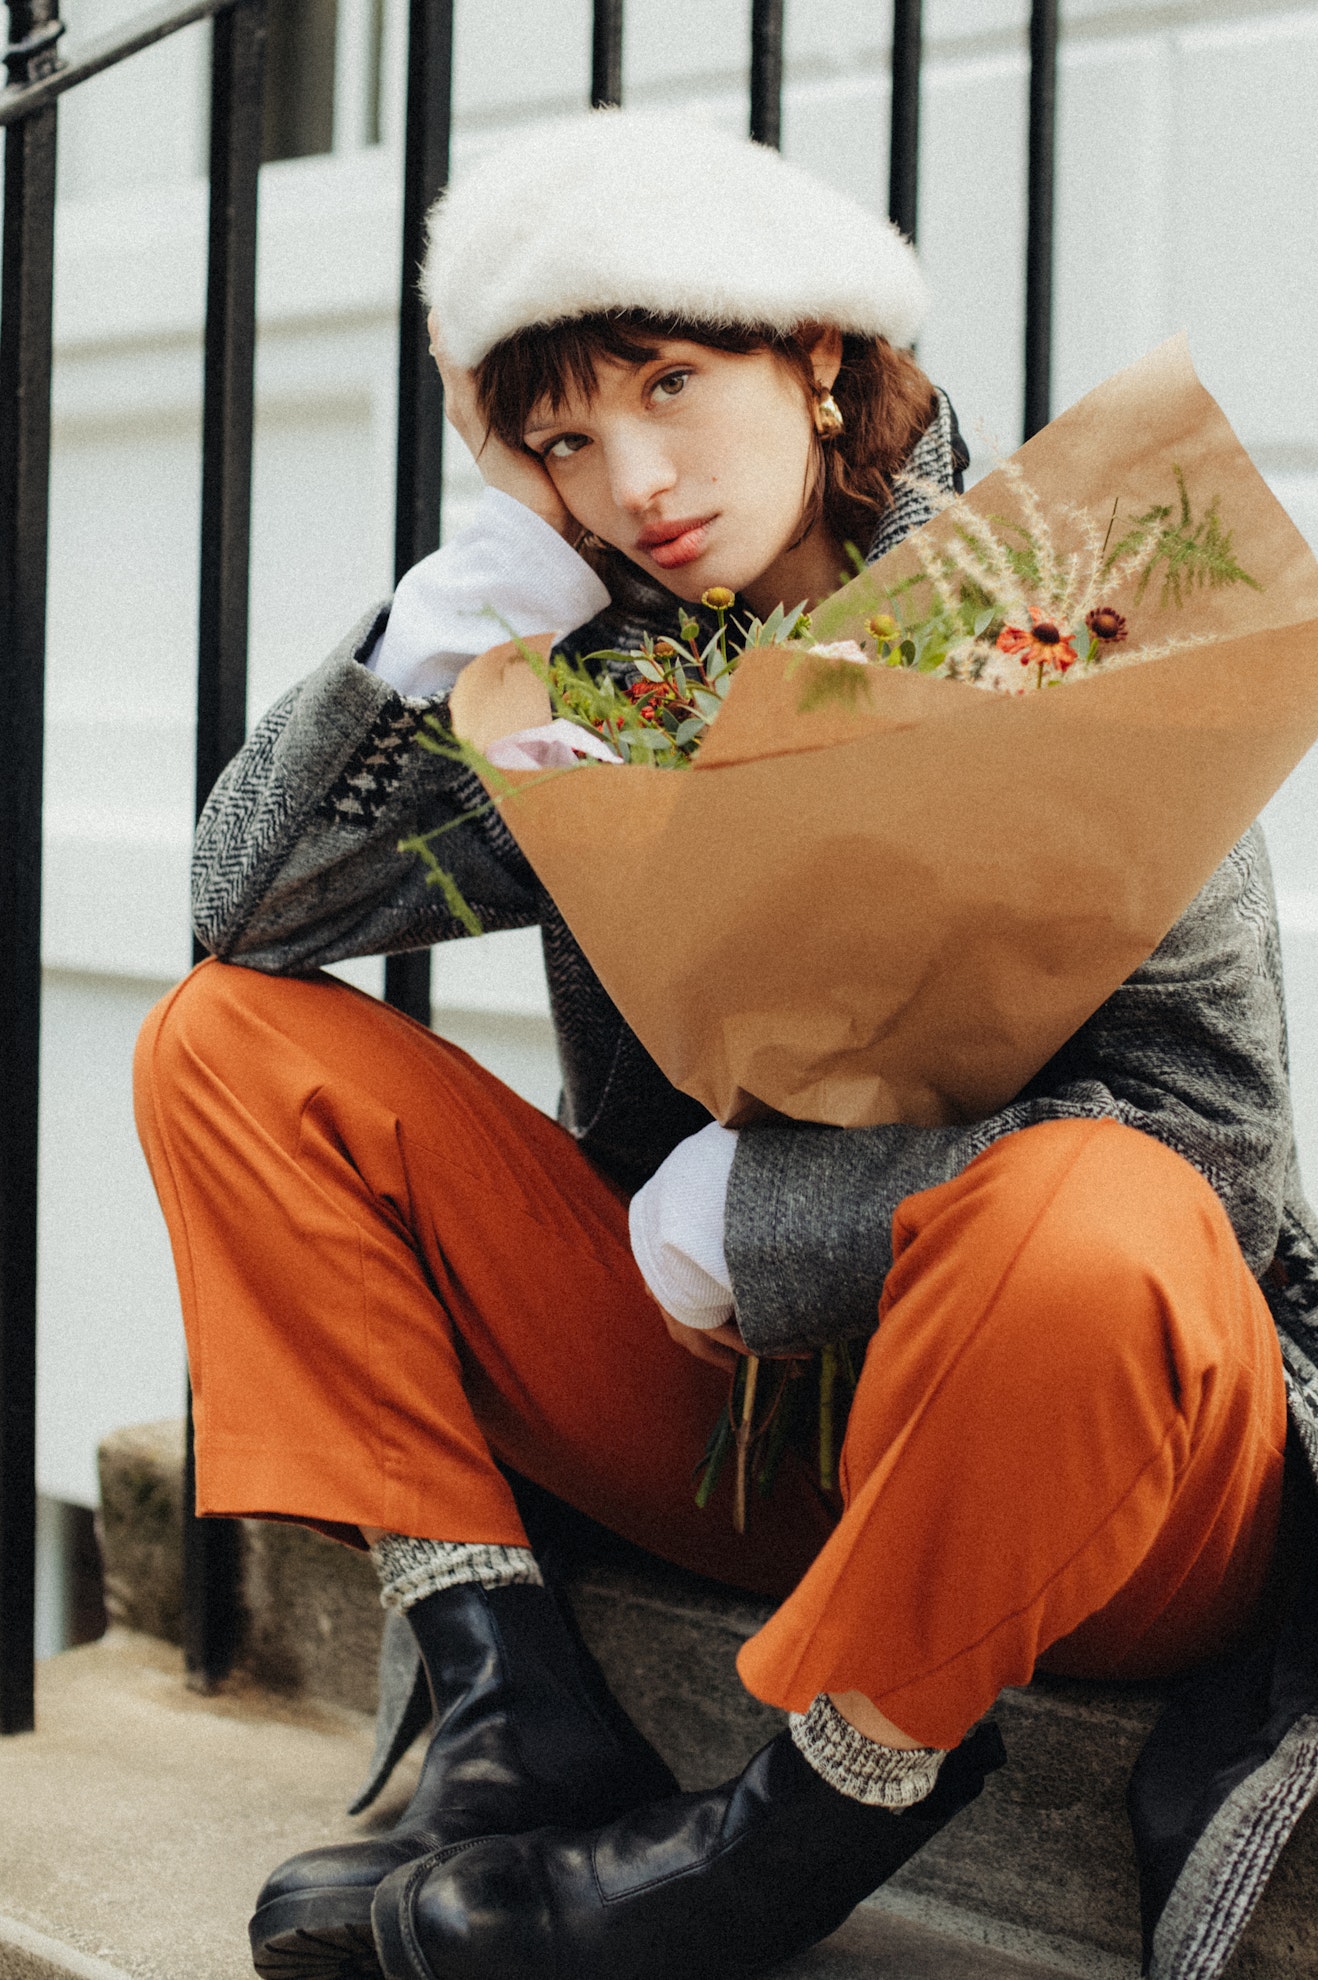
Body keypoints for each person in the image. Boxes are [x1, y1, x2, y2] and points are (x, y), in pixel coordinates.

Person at [133, 109, 1318, 1980]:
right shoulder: (597, 669)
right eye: (564, 443)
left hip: (1100, 1476)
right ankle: (512, 1704)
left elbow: (1221, 1168)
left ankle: (792, 1834)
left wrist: (786, 1204)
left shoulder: (1080, 601)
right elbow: (249, 921)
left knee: (1095, 1207)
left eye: (671, 385)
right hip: (729, 1445)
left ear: (816, 353)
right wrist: (418, 652)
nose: (635, 480)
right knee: (222, 1044)